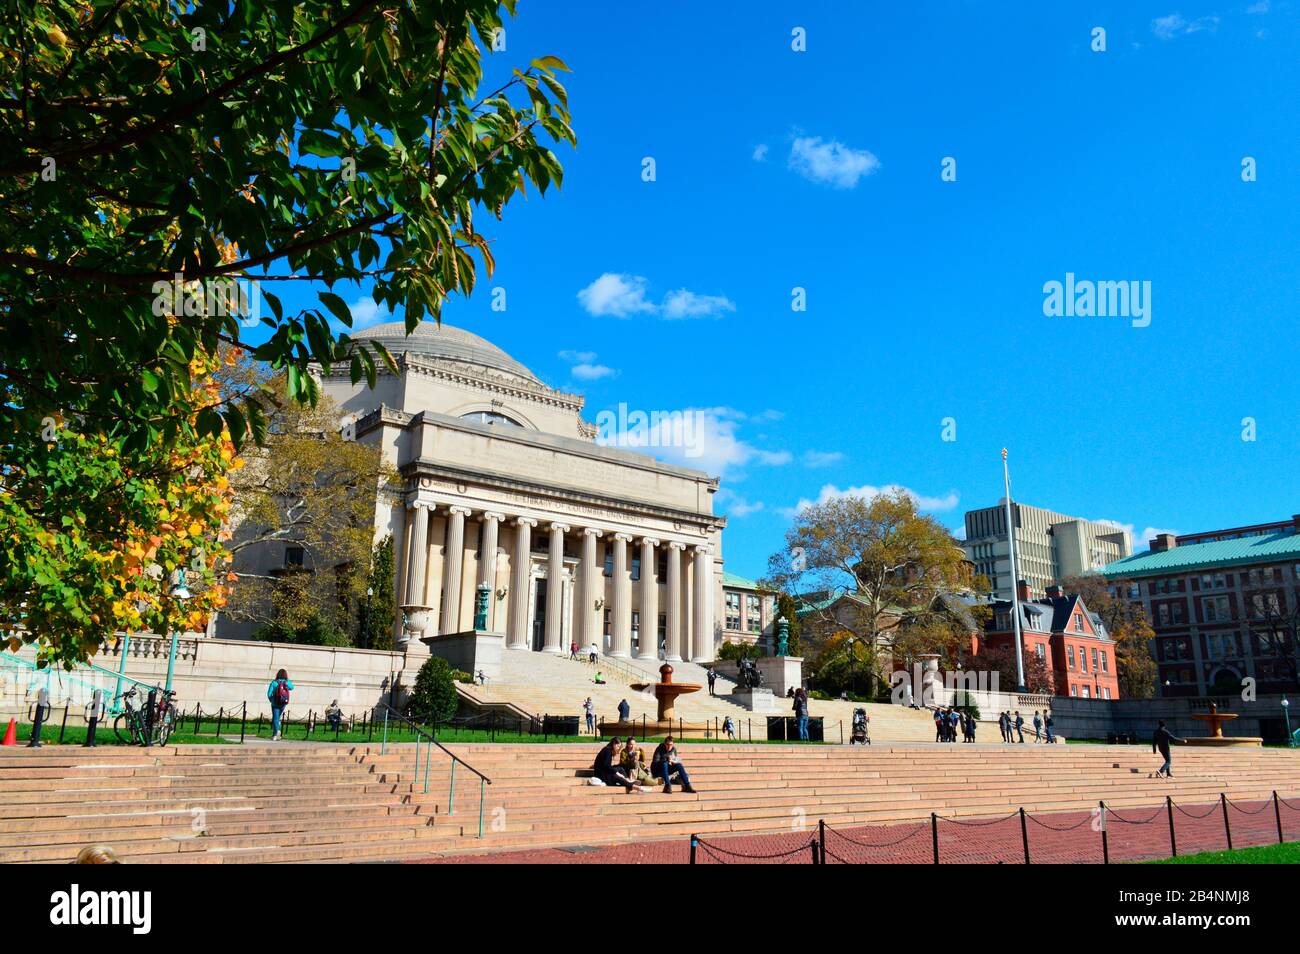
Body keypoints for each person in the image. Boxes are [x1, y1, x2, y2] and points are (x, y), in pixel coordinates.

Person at [267, 668, 293, 741]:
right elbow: (292, 687)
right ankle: (276, 730)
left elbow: (269, 693)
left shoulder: (274, 682)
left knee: (275, 718)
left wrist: (271, 700)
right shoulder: (287, 682)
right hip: (283, 703)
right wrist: (286, 684)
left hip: (275, 703)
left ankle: (275, 735)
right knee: (277, 718)